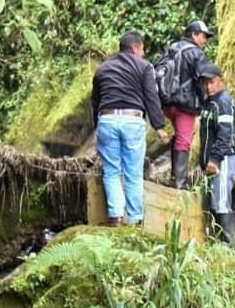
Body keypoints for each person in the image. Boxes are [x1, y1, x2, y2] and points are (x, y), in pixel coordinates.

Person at [91, 31, 170, 226]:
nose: (143, 54)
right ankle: (135, 219)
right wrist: (159, 126)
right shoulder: (144, 67)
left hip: (107, 119)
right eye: (142, 49)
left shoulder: (102, 69)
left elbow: (96, 101)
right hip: (132, 120)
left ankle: (116, 216)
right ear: (135, 48)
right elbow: (151, 96)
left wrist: (97, 127)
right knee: (133, 173)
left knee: (111, 171)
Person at [160, 20, 214, 189]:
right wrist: (205, 102)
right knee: (184, 139)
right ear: (194, 35)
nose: (205, 40)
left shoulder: (172, 49)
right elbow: (202, 80)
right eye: (203, 36)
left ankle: (174, 176)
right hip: (185, 104)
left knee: (178, 136)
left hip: (166, 103)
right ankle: (180, 184)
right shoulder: (196, 53)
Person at [196, 62, 235, 245]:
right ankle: (216, 243)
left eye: (212, 82)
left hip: (223, 159)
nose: (208, 86)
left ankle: (230, 246)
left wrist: (214, 159)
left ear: (220, 81)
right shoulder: (209, 103)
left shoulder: (223, 102)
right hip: (211, 163)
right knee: (212, 202)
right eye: (205, 83)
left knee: (222, 201)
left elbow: (225, 134)